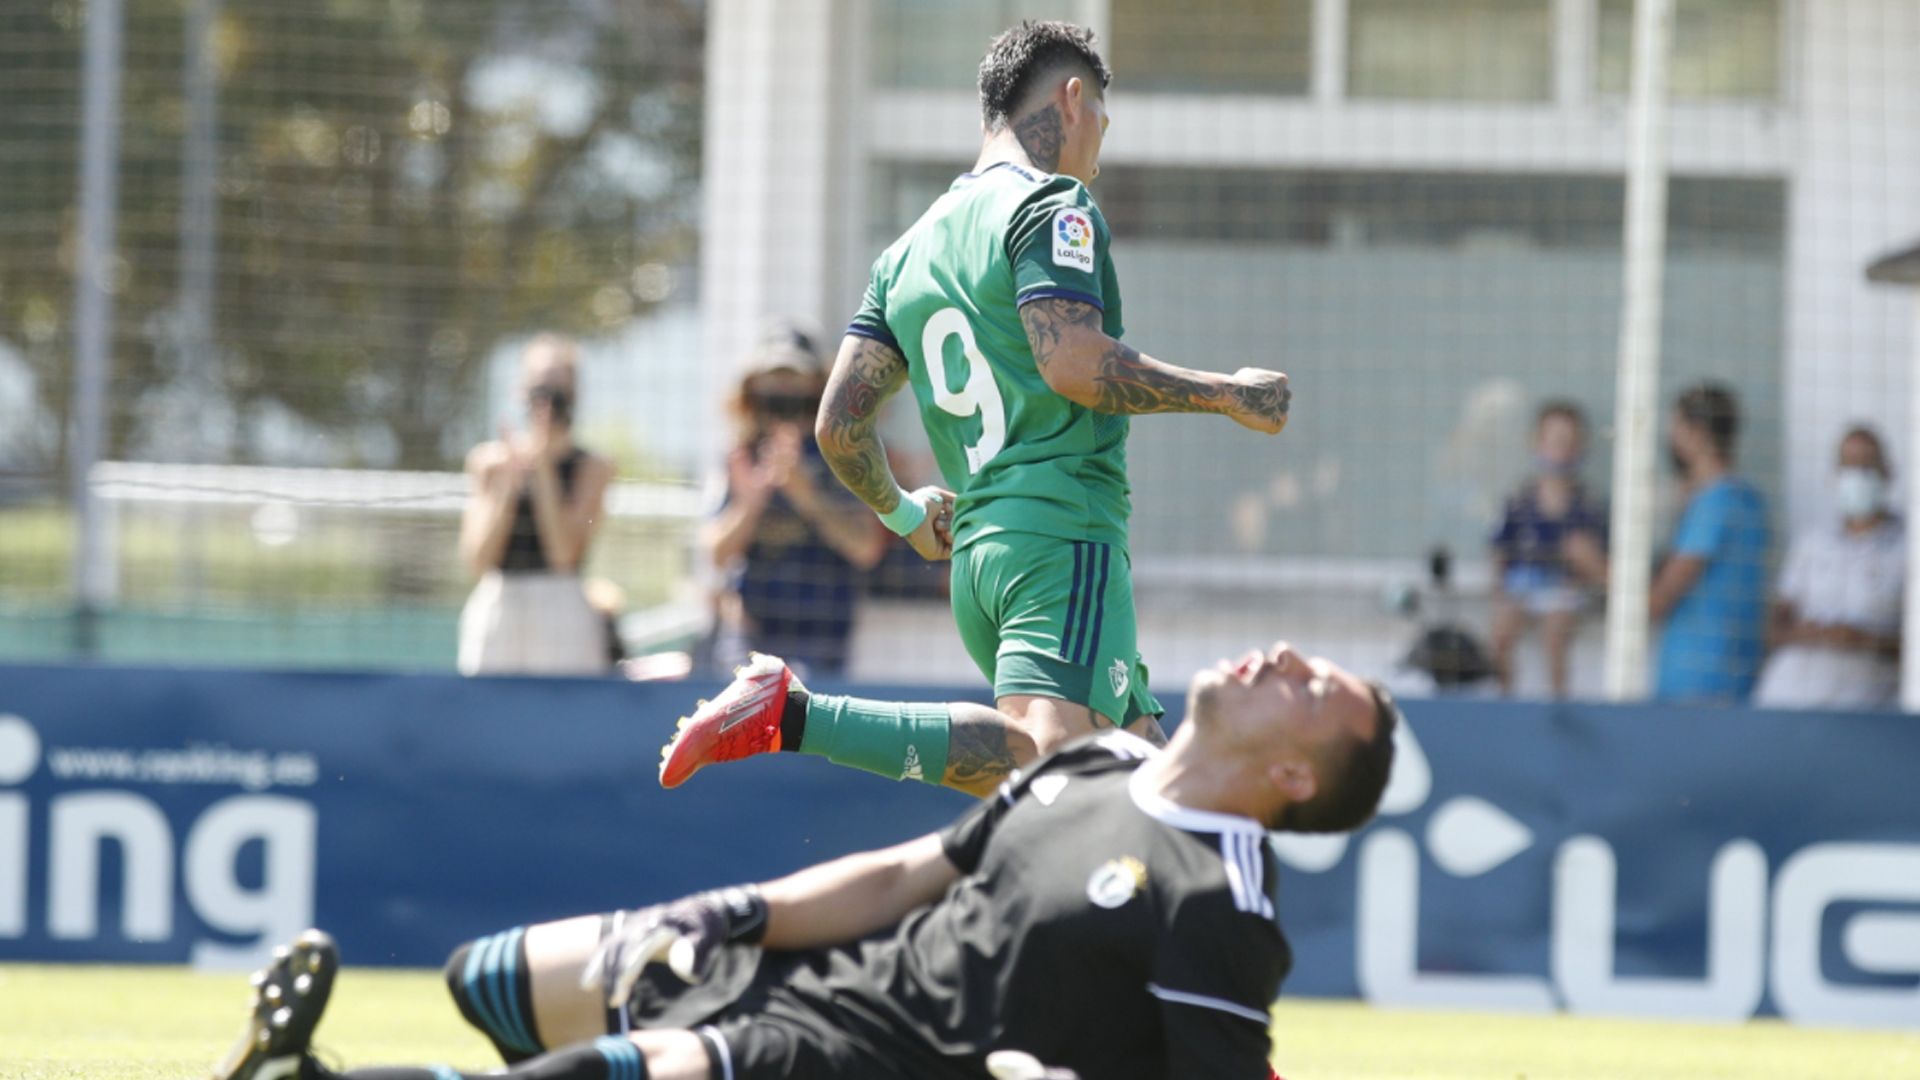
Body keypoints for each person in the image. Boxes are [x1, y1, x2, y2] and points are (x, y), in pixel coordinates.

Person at [213, 642, 1397, 1080]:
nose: (1285, 656)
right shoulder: (1084, 770)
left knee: (632, 1071)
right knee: (490, 980)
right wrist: (736, 910)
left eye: (1314, 689)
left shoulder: (1223, 903)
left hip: (878, 1058)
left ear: (1295, 779)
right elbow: (898, 880)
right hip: (834, 981)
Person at [658, 21, 1292, 797]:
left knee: (1150, 787)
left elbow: (839, 426)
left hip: (981, 562)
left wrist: (900, 516)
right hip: (1059, 538)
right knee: (1052, 762)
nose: (1098, 144)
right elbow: (1074, 363)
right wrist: (1226, 395)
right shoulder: (1052, 205)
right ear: (1071, 100)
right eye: (1101, 119)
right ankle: (792, 716)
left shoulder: (908, 251)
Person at [702, 326, 888, 677]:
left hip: (822, 639)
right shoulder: (740, 457)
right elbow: (716, 553)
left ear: (819, 385)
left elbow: (865, 548)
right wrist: (752, 501)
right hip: (749, 637)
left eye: (794, 378)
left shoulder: (845, 455)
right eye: (774, 379)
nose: (783, 392)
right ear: (753, 386)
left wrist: (806, 495)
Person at [458, 336, 617, 676]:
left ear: (575, 393)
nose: (549, 397)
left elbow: (563, 556)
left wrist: (543, 471)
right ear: (521, 390)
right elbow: (478, 558)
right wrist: (510, 485)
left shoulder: (593, 467)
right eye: (541, 385)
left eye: (559, 386)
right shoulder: (489, 462)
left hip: (560, 606)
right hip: (499, 604)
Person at [1752, 425, 1904, 709]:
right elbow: (1773, 629)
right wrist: (1812, 634)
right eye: (1848, 465)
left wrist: (1862, 640)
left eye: (1866, 465)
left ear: (1887, 472)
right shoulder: (1812, 541)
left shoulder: (1906, 549)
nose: (1856, 475)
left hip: (1864, 706)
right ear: (1835, 474)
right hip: (1787, 700)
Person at [1651, 382, 1771, 702]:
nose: (1671, 438)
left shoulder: (1713, 505)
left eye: (1676, 426)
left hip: (1695, 683)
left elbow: (1658, 601)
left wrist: (1592, 565)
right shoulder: (1751, 501)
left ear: (1698, 432)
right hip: (1741, 677)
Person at [1487, 402, 1608, 698]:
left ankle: (1558, 701)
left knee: (1555, 633)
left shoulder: (1587, 506)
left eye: (1569, 442)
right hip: (1522, 586)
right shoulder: (1519, 500)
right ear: (1537, 443)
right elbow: (1499, 549)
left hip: (1563, 590)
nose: (1561, 450)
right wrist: (1499, 590)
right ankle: (1504, 698)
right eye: (1554, 441)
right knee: (1500, 634)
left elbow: (1597, 558)